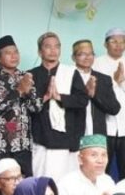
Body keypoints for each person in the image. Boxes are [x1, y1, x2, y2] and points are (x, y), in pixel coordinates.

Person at [0, 35, 40, 192]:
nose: (14, 56)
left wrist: (29, 92)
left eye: (16, 52)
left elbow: (36, 108)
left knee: (25, 186)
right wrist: (19, 90)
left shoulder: (25, 77)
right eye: (8, 53)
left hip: (22, 143)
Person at [28, 32, 88, 180]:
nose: (53, 50)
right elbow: (26, 106)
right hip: (40, 137)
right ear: (39, 51)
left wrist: (59, 97)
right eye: (48, 47)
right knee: (41, 181)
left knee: (65, 183)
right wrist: (45, 98)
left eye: (57, 46)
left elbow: (82, 100)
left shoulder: (71, 73)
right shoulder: (31, 75)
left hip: (66, 138)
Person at [71, 40, 120, 139]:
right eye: (82, 54)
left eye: (90, 54)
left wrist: (94, 95)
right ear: (73, 57)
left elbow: (114, 108)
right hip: (72, 135)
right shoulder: (67, 77)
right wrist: (85, 93)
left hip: (97, 136)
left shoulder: (104, 79)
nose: (87, 57)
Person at [93, 28, 125, 178]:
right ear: (105, 44)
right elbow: (94, 92)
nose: (118, 45)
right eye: (114, 41)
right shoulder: (96, 63)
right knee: (101, 170)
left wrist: (121, 82)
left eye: (122, 42)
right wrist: (114, 81)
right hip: (104, 126)